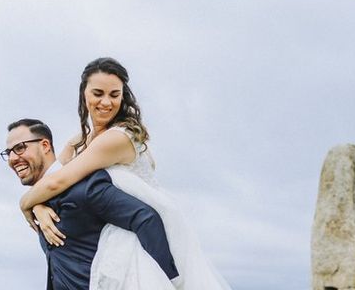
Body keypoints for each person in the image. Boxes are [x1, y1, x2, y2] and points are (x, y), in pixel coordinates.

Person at [19, 58, 232, 289]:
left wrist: (24, 204)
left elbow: (57, 182)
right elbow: (49, 182)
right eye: (98, 93)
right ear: (84, 94)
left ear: (123, 96)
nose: (106, 102)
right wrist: (39, 207)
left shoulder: (117, 138)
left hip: (141, 235)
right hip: (111, 232)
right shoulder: (80, 140)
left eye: (114, 94)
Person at [2, 118, 179, 290]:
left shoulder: (84, 187)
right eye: (8, 152)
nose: (12, 158)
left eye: (19, 148)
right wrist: (36, 205)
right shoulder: (38, 201)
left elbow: (145, 218)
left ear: (45, 146)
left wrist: (167, 282)